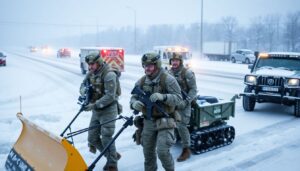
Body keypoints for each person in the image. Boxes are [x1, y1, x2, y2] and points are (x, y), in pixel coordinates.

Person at [130, 52, 182, 171]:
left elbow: (178, 98)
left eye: (150, 65)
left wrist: (163, 97)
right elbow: (133, 97)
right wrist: (134, 103)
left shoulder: (168, 80)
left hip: (166, 120)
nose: (147, 68)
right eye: (145, 65)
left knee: (162, 152)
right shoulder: (142, 82)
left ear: (157, 65)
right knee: (148, 153)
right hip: (148, 121)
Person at [80, 53, 121, 171]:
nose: (90, 67)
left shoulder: (109, 75)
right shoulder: (90, 74)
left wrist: (94, 105)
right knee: (92, 138)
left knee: (106, 137)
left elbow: (110, 96)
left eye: (92, 64)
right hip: (97, 109)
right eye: (89, 64)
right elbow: (83, 85)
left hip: (109, 109)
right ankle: (111, 155)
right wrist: (83, 91)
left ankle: (112, 165)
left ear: (98, 62)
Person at [168, 52, 197, 162]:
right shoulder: (168, 72)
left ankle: (186, 150)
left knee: (181, 126)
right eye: (173, 60)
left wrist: (186, 102)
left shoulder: (187, 73)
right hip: (172, 103)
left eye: (177, 60)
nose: (174, 62)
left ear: (180, 62)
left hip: (184, 104)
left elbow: (193, 90)